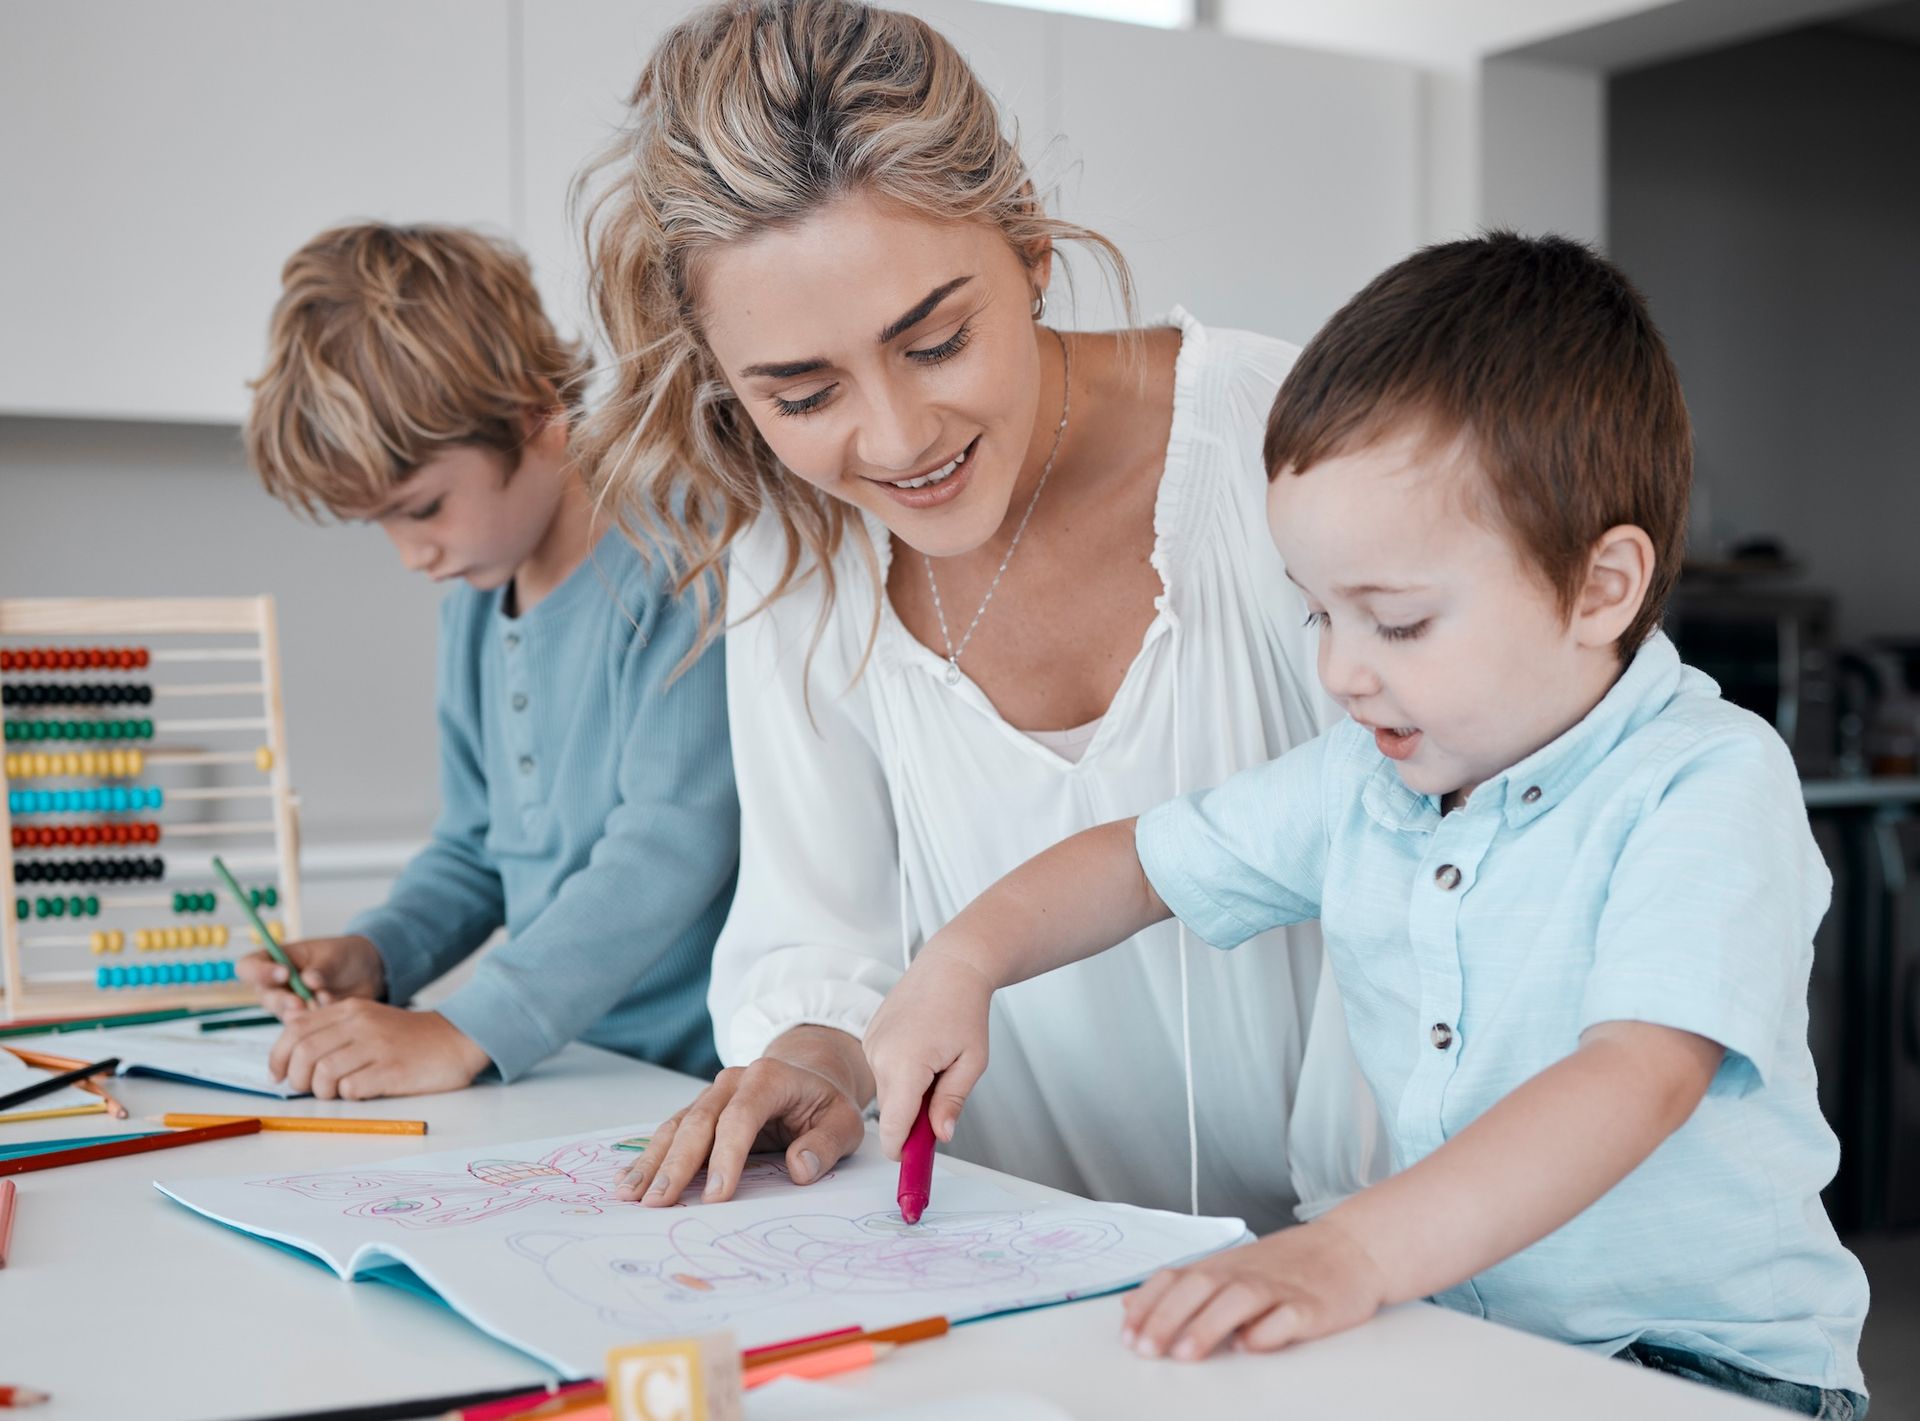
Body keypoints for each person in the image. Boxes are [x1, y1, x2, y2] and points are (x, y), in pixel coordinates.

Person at [864, 233, 1870, 1415]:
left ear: (1602, 587)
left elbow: (1636, 1076)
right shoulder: (1367, 778)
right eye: (1317, 615)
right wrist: (964, 960)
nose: (1341, 669)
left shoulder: (1703, 783)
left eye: (1394, 622)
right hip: (1469, 1345)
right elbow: (1139, 861)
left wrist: (1351, 1251)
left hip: (1704, 1366)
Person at [583, 0, 1380, 1230]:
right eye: (802, 394)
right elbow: (822, 928)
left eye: (940, 339)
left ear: (1030, 249)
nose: (899, 440)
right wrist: (811, 1057)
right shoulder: (794, 552)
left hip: (1393, 1273)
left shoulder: (1296, 435)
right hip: (1035, 1279)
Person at [239, 222, 738, 1099]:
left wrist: (465, 1028)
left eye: (424, 507)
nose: (411, 554)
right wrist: (381, 951)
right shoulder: (476, 606)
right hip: (565, 1071)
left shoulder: (679, 556)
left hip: (695, 1085)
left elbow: (672, 841)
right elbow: (476, 849)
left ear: (530, 413)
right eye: (382, 524)